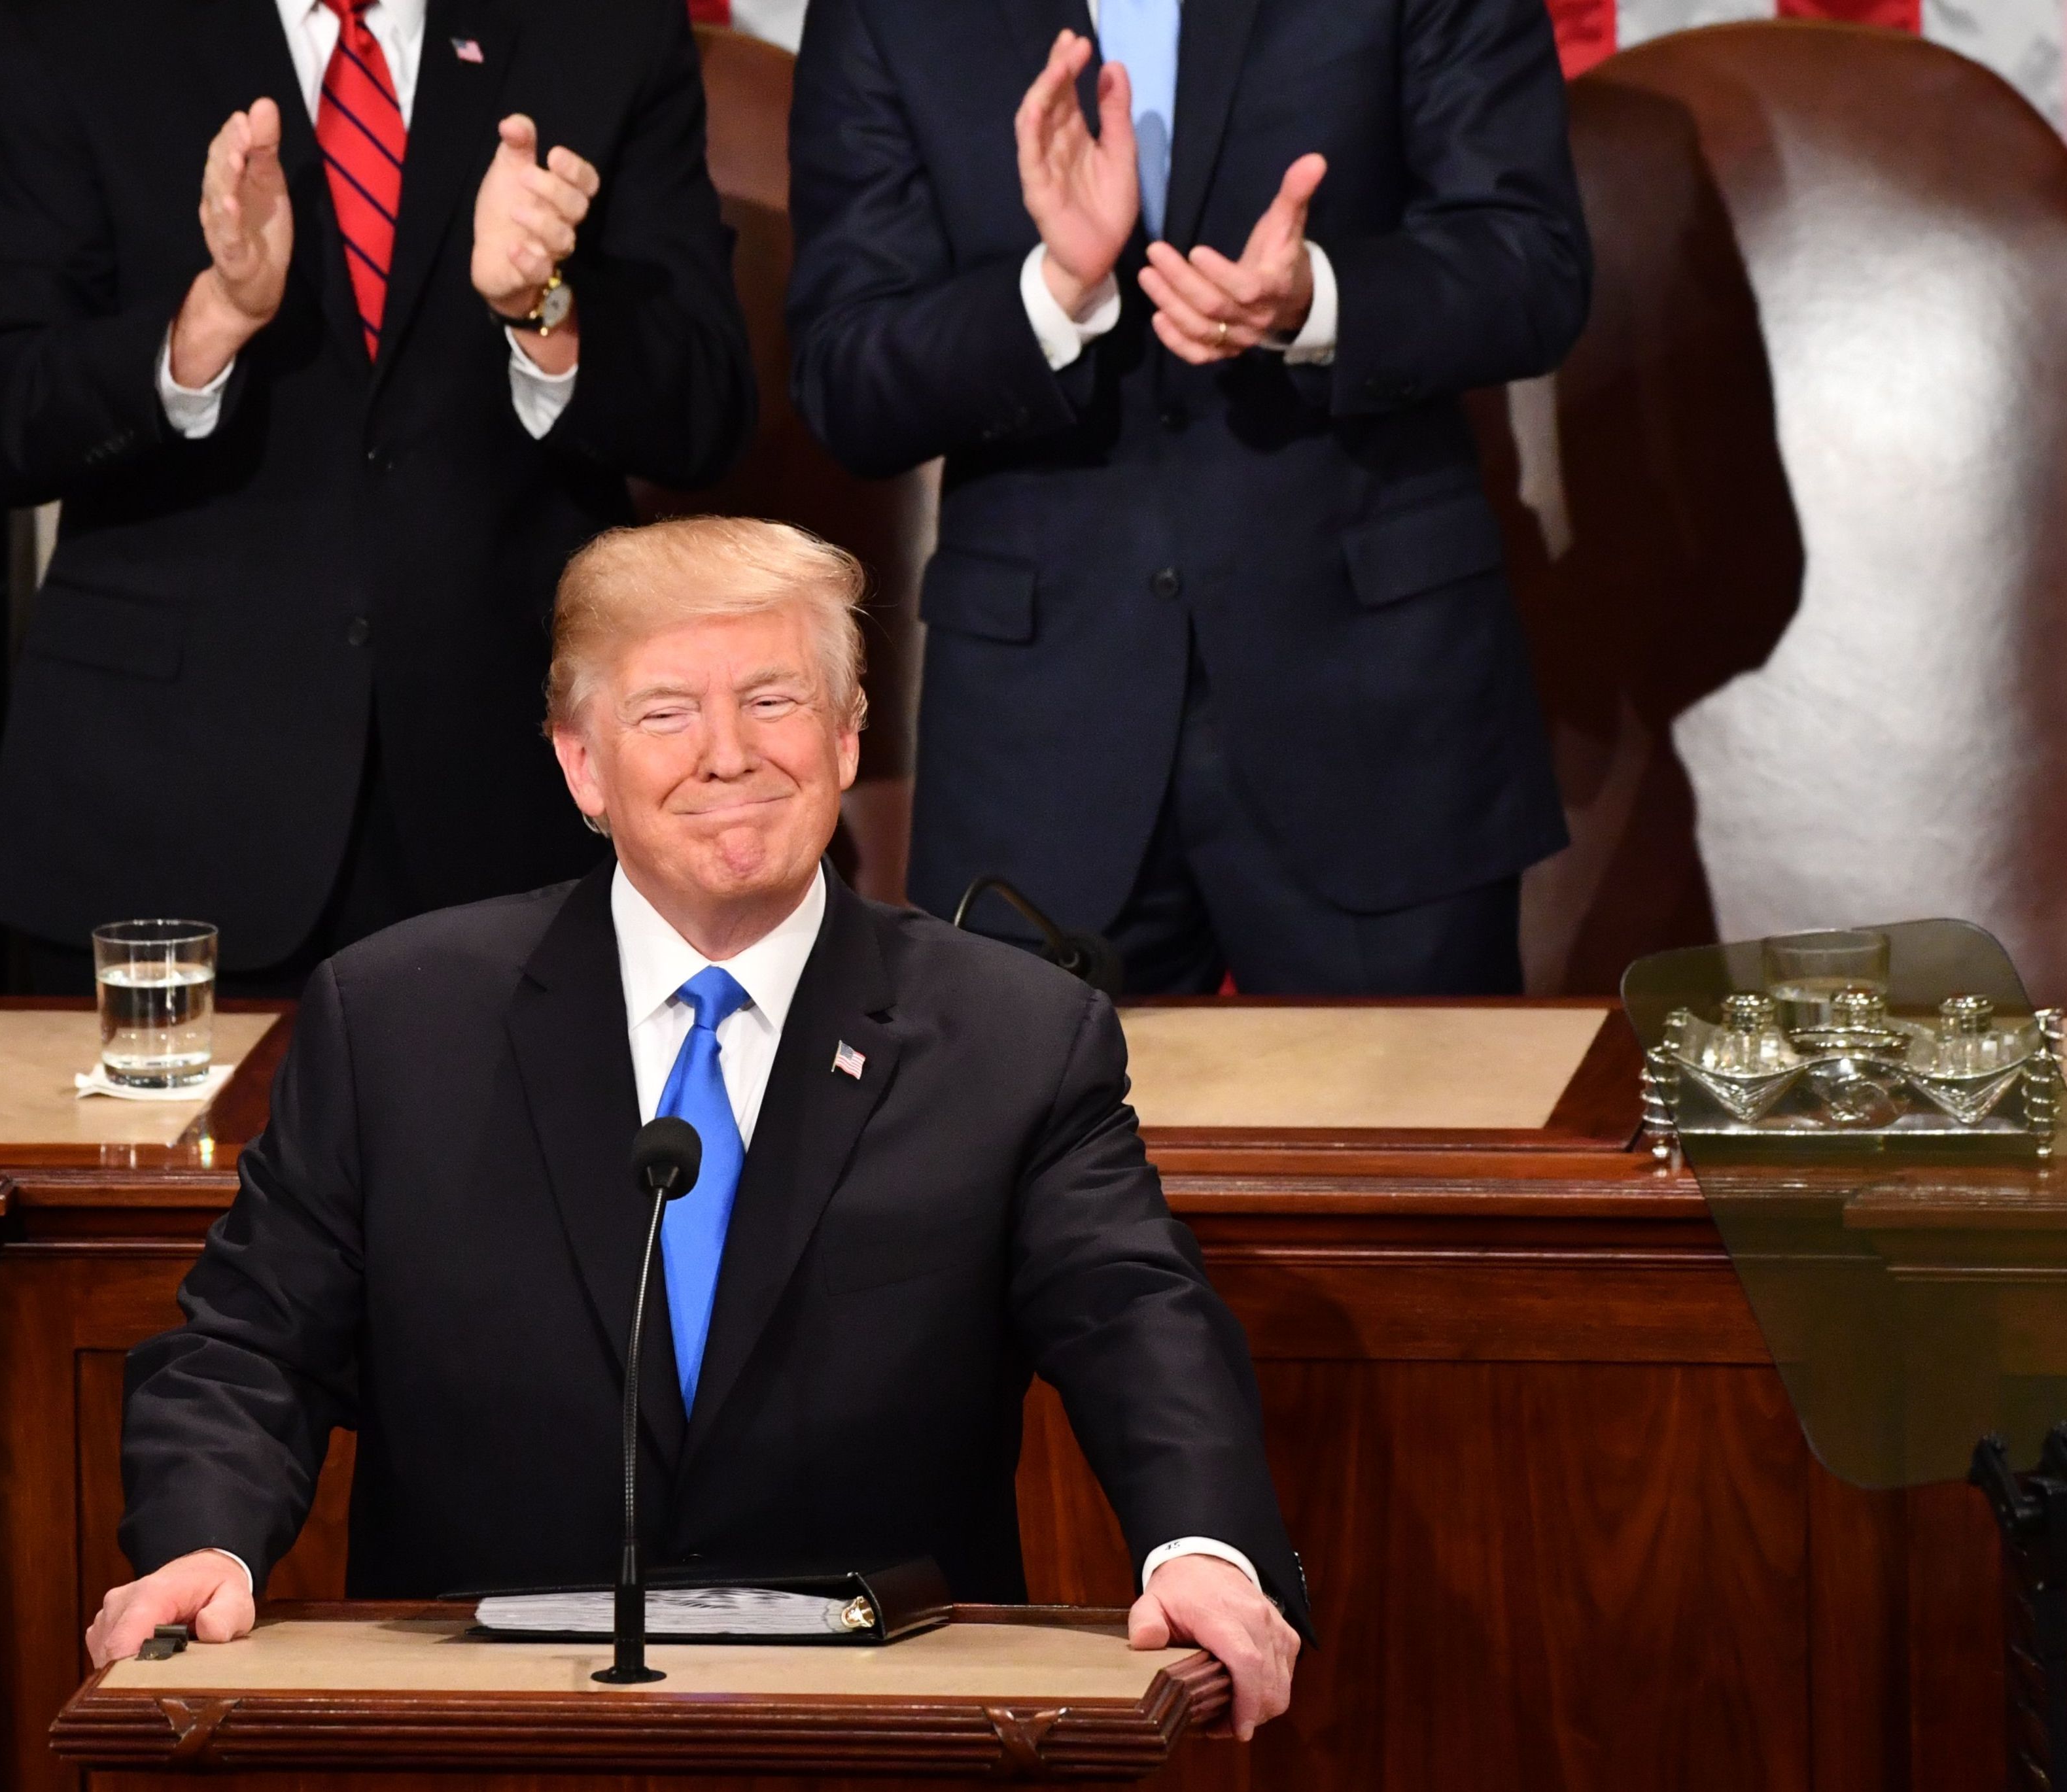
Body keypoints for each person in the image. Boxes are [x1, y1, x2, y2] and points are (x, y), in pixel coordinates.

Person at [94, 517, 1309, 1734]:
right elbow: (251, 1343)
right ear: (582, 765)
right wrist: (208, 1542)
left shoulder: (1016, 1034)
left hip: (882, 1725)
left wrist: (1201, 1547)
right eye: (666, 713)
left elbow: (1134, 1315)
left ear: (845, 736)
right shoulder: (398, 1017)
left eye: (774, 700)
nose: (727, 756)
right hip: (482, 1725)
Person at [0, 0, 754, 995]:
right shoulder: (79, 29)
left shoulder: (598, 26)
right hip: (166, 823)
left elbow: (707, 412)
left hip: (507, 813)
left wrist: (544, 309)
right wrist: (212, 321)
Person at [786, 0, 1591, 995]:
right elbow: (845, 377)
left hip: (1378, 725)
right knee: (1032, 1151)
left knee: (1411, 1151)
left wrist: (1319, 303)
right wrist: (1051, 296)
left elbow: (1532, 264)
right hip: (1040, 751)